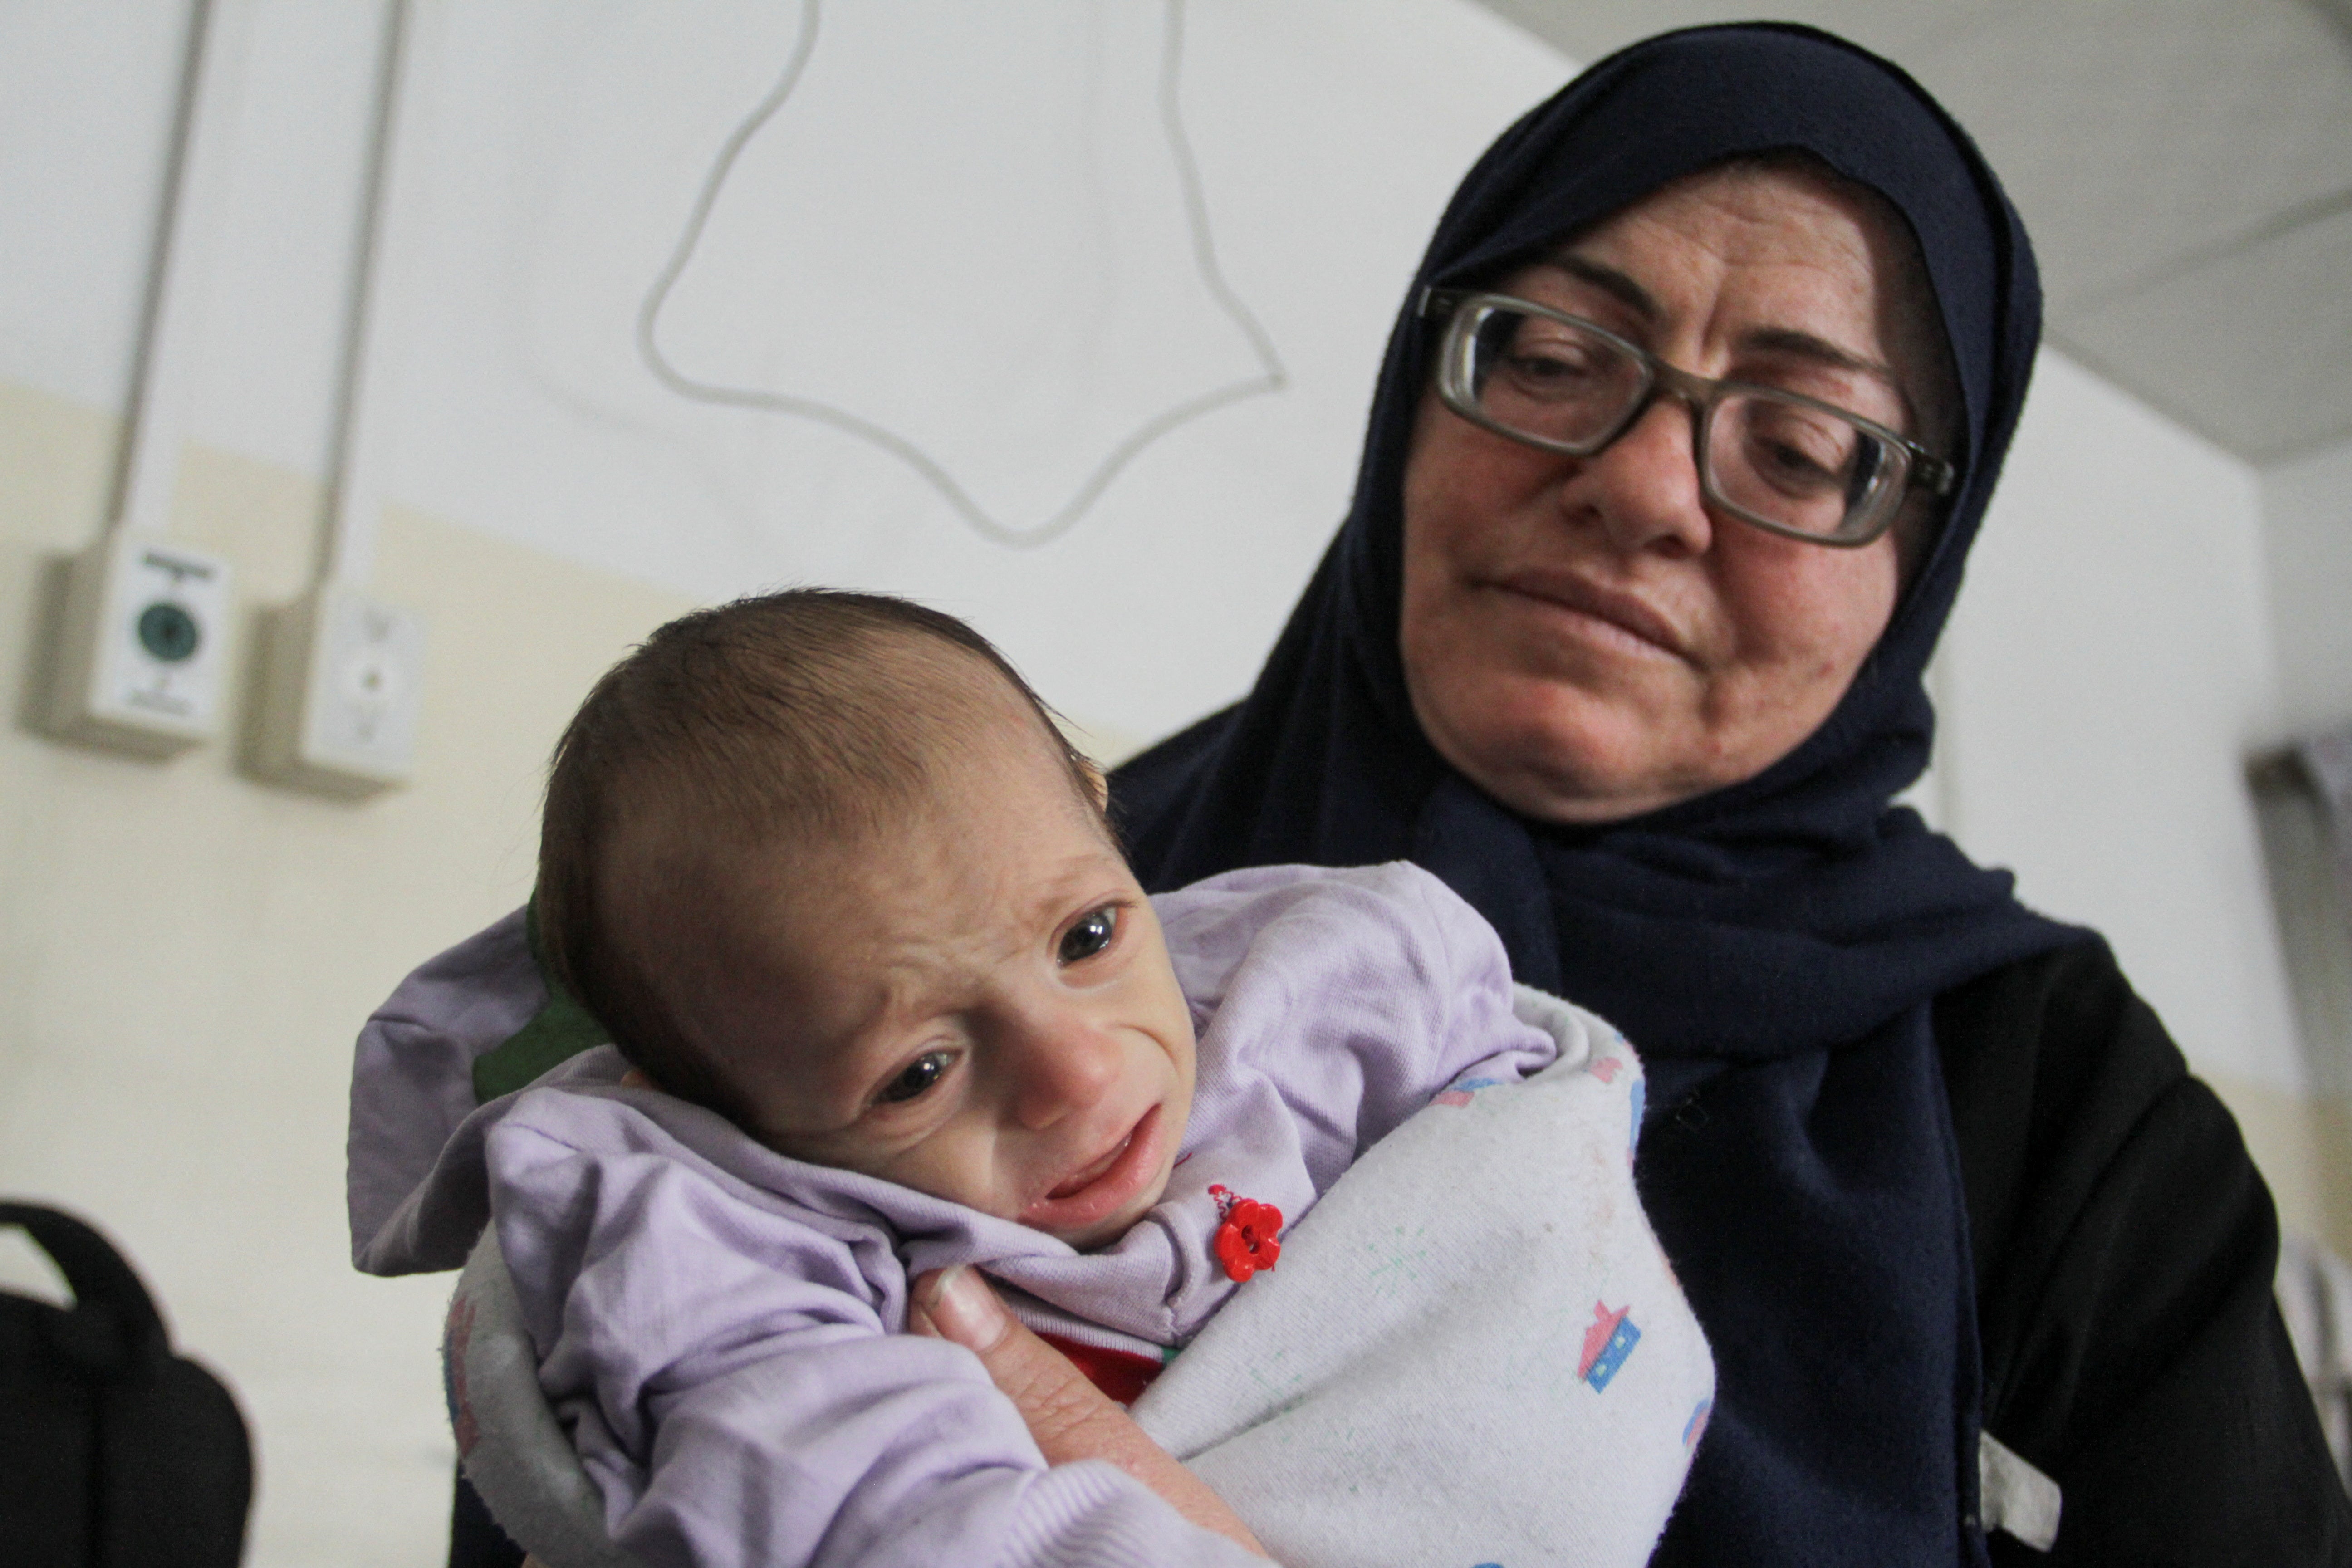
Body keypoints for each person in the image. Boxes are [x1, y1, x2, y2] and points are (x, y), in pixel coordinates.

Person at [908, 20, 2352, 1568]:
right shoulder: (1082, 878)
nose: (1647, 488)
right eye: (1549, 356)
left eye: (1802, 450)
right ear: (1420, 385)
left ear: (1919, 566)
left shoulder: (2054, 1100)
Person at [355, 588, 1709, 1568]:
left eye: (1088, 936)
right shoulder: (728, 1250)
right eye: (921, 1072)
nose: (1076, 1069)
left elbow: (1531, 1123)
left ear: (1093, 798)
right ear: (713, 1110)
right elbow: (870, 1512)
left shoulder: (1305, 981)